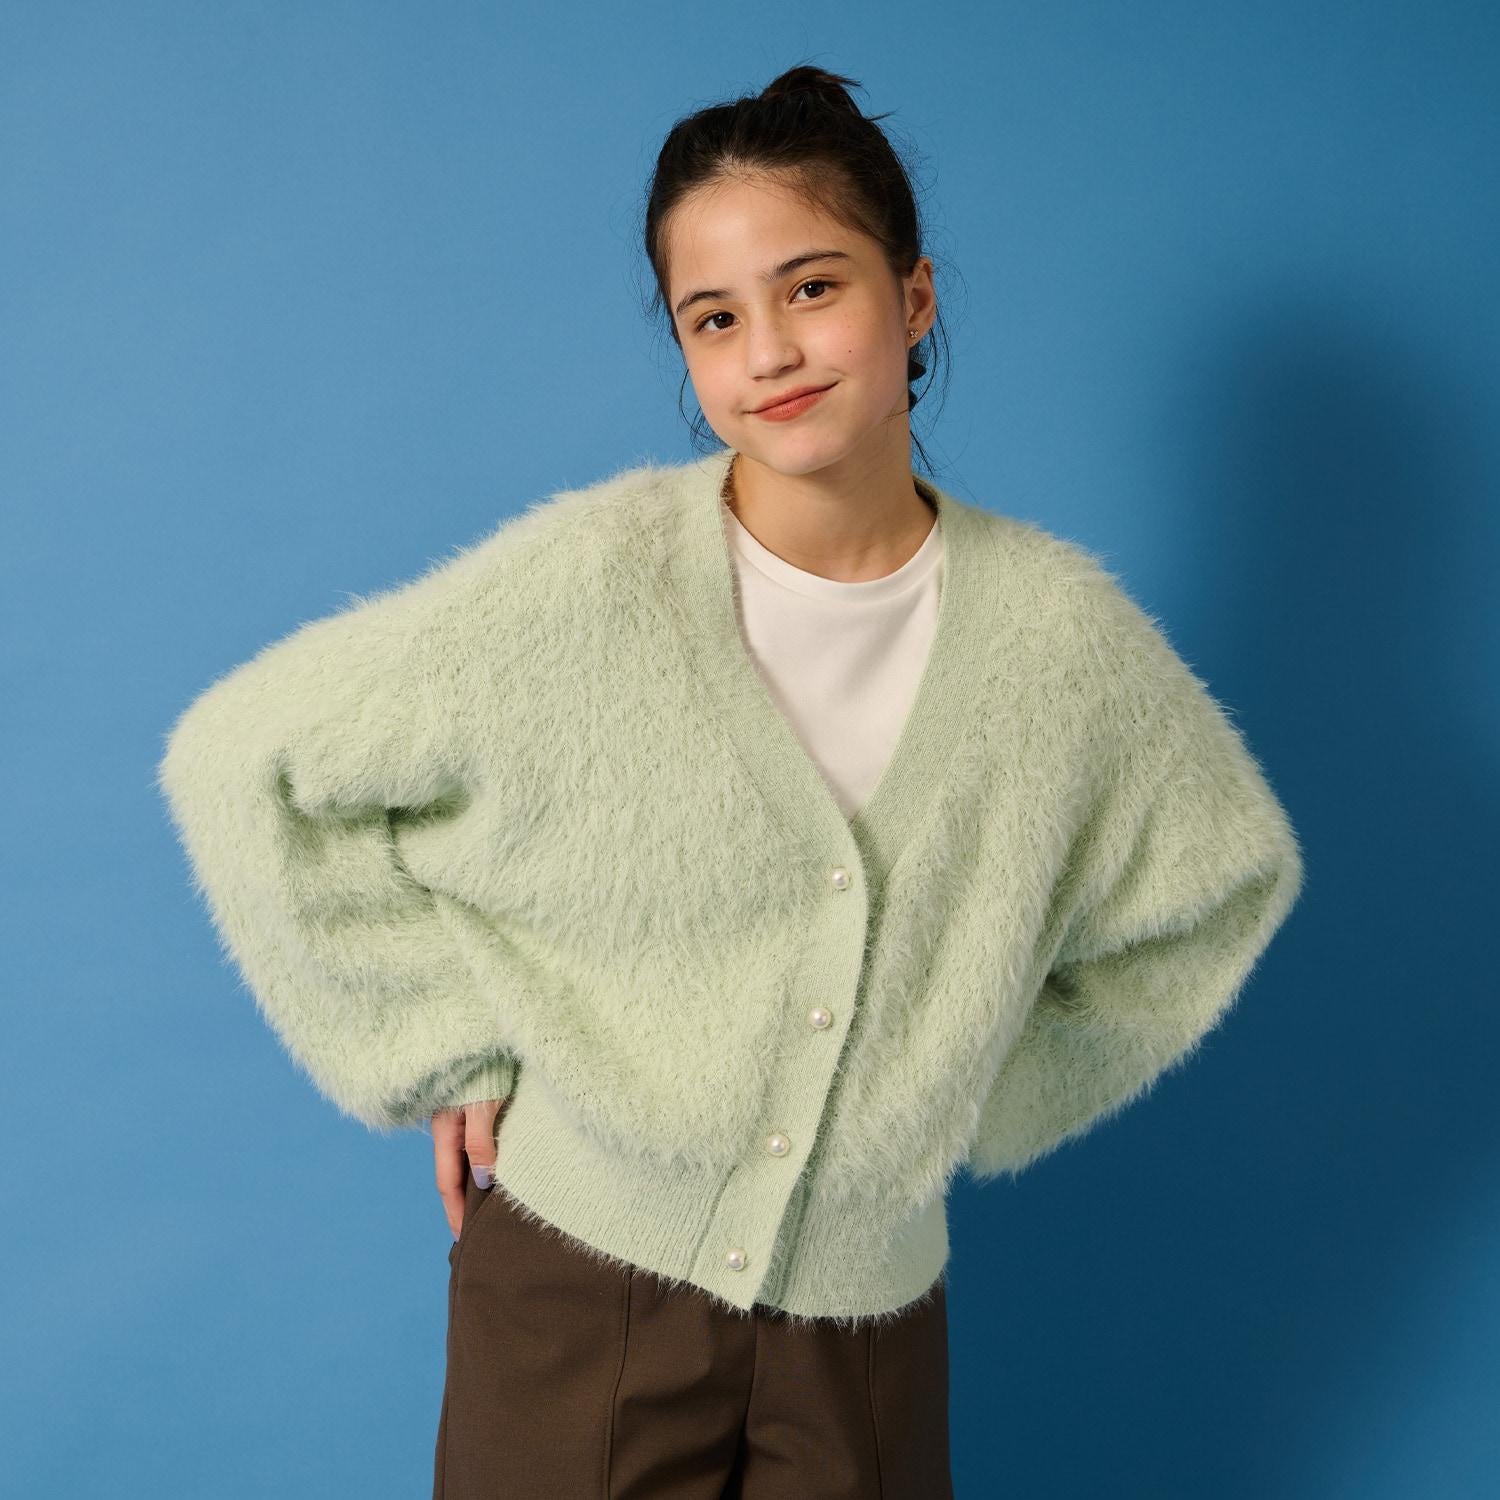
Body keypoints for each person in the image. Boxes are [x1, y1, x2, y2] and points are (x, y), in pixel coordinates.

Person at [157, 63, 1304, 1500]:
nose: (770, 351)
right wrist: (442, 1046)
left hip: (869, 1330)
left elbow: (1220, 883)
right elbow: (245, 757)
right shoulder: (592, 580)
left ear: (915, 299)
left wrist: (969, 1096)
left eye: (813, 287)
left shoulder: (1062, 641)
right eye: (714, 318)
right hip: (575, 1291)